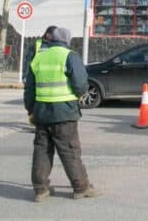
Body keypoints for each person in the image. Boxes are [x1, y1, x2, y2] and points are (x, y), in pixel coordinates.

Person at [24, 27, 101, 202]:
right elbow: (81, 84)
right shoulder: (69, 56)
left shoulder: (39, 58)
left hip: (41, 113)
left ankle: (40, 190)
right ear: (67, 40)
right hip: (64, 113)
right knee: (70, 151)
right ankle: (81, 187)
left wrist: (31, 110)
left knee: (42, 150)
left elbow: (29, 89)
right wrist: (78, 96)